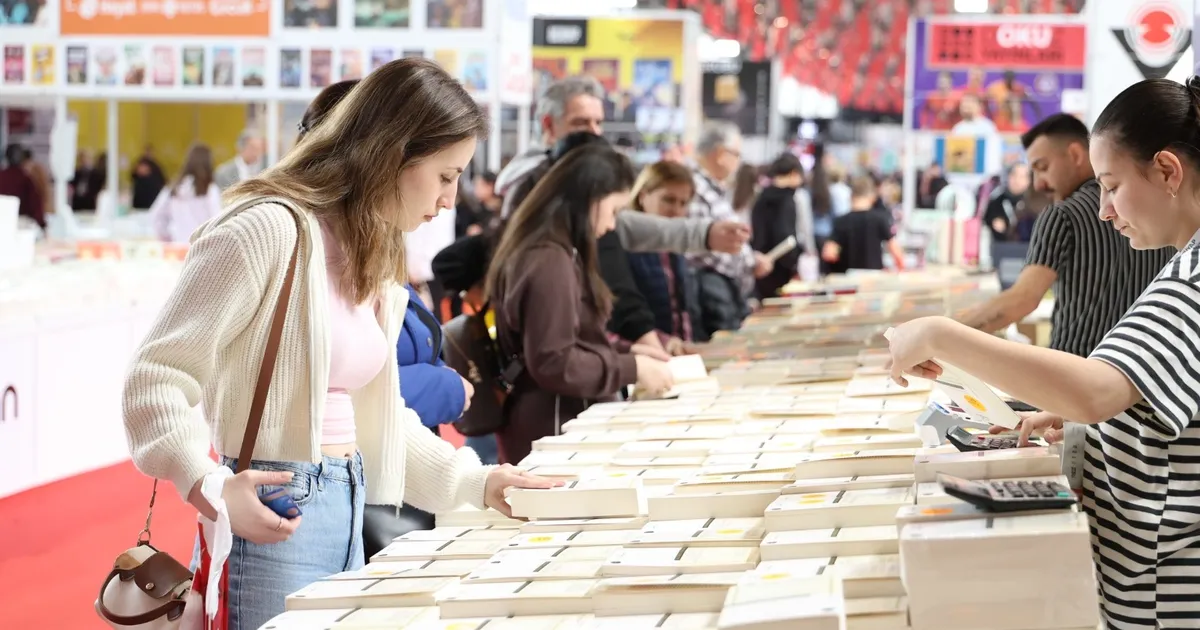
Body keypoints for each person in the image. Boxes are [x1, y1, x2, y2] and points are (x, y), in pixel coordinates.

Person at [121, 58, 557, 630]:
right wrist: (208, 486)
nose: (452, 199)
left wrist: (477, 481)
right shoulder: (266, 229)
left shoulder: (365, 251)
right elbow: (154, 377)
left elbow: (375, 420)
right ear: (394, 154)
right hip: (275, 507)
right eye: (446, 175)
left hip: (349, 502)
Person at [886, 77, 1200, 629]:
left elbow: (1095, 390)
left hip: (1162, 591)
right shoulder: (1184, 263)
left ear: (1168, 172)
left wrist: (939, 334)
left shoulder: (1192, 277)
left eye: (1111, 186)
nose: (1103, 210)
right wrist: (1093, 423)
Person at [485, 143, 675, 465]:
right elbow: (554, 361)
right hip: (555, 428)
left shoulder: (551, 250)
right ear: (591, 199)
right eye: (613, 210)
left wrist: (627, 353)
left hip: (556, 421)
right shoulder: (549, 260)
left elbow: (570, 341)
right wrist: (633, 367)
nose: (612, 225)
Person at [957, 114, 1173, 356]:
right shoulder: (1156, 213)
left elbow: (1022, 300)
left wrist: (944, 334)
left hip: (1076, 367)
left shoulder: (1063, 215)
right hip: (1143, 369)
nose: (1038, 184)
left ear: (1075, 154)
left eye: (1043, 168)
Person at [497, 75, 750, 255]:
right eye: (581, 123)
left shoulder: (560, 172)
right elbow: (622, 227)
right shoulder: (536, 177)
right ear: (549, 125)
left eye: (598, 122)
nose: (594, 132)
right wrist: (701, 235)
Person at [687, 121, 770, 335]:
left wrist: (749, 259)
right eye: (737, 155)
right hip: (710, 292)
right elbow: (699, 247)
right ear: (720, 154)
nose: (738, 162)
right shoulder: (696, 187)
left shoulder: (711, 187)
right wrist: (749, 262)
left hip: (721, 291)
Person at [626, 160, 706, 347]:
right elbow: (620, 318)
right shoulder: (624, 246)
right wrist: (663, 342)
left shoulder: (675, 248)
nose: (676, 211)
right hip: (644, 354)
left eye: (683, 203)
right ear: (642, 196)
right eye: (668, 200)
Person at [822, 176, 904, 274]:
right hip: (873, 276)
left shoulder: (841, 221)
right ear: (872, 197)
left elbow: (829, 253)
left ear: (851, 197)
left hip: (847, 277)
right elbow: (896, 251)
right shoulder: (880, 219)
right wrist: (900, 270)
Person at [752, 152, 805, 298]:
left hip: (761, 266)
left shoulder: (761, 198)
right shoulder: (787, 200)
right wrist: (793, 264)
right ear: (794, 173)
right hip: (782, 272)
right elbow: (785, 234)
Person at [148, 144, 222, 243]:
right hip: (201, 246)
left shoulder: (173, 188)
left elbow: (156, 216)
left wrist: (167, 237)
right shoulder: (210, 190)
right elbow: (217, 221)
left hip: (177, 246)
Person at [0, 144, 44, 230]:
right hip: (21, 224)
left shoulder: (2, 176)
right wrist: (42, 224)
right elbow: (35, 204)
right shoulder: (25, 179)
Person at [983, 163, 1031, 242]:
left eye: (1022, 177)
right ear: (1008, 177)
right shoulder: (995, 203)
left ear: (1029, 180)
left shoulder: (1035, 204)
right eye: (1014, 175)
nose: (1017, 180)